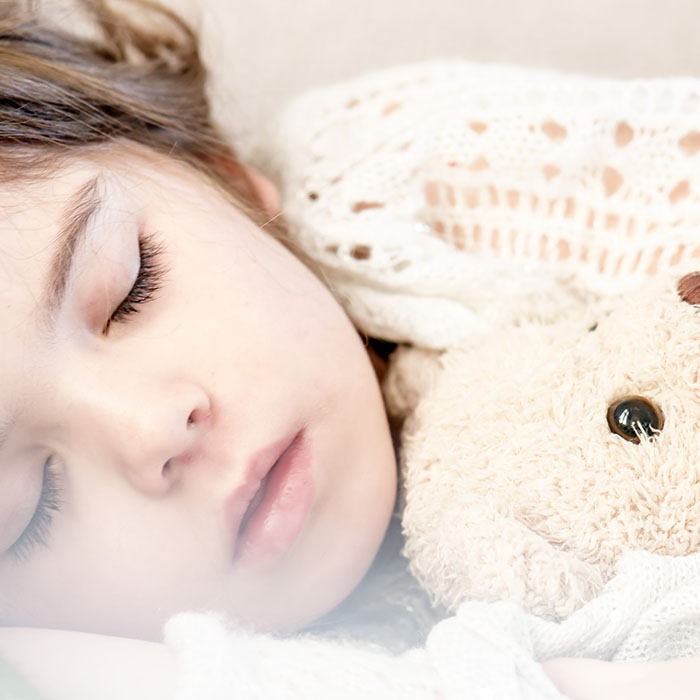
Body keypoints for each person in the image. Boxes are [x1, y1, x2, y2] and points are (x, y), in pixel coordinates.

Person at [0, 1, 698, 699]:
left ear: (227, 179)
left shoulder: (400, 181)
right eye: (31, 510)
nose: (152, 427)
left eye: (132, 286)